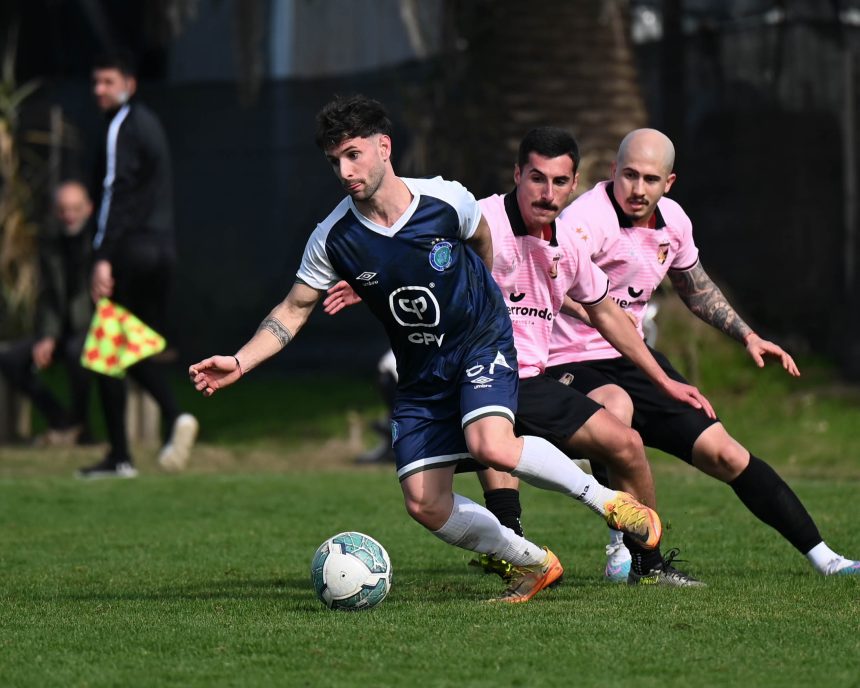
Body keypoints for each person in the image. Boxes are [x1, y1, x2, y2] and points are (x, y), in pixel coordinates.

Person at [189, 94, 663, 604]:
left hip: (480, 342)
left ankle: (610, 502)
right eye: (334, 161)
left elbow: (483, 244)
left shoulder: (445, 200)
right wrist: (240, 360)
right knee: (423, 502)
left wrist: (481, 300)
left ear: (384, 148)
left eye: (353, 154)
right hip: (421, 372)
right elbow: (293, 309)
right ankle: (531, 562)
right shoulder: (333, 238)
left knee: (491, 445)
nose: (345, 171)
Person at [325, 127, 715, 586]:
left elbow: (607, 315)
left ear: (574, 186)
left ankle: (645, 565)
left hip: (532, 378)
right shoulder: (479, 216)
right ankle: (521, 551)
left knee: (626, 443)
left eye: (559, 182)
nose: (546, 193)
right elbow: (408, 240)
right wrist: (372, 279)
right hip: (471, 369)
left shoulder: (567, 241)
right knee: (472, 458)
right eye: (536, 178)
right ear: (517, 175)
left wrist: (663, 379)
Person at [545, 128, 860, 578]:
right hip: (569, 360)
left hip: (634, 357)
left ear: (668, 183)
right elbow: (559, 287)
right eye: (629, 175)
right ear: (613, 171)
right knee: (616, 408)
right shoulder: (585, 220)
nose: (637, 189)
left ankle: (826, 558)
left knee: (725, 453)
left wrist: (747, 335)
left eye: (650, 179)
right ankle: (624, 541)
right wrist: (601, 313)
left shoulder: (673, 222)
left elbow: (696, 289)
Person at [77, 52, 198, 479]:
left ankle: (121, 457)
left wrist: (103, 255)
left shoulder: (122, 126)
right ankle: (173, 419)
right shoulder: (150, 123)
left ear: (129, 82)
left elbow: (117, 193)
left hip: (130, 252)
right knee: (125, 347)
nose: (99, 90)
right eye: (95, 82)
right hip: (161, 253)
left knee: (107, 353)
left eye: (107, 81)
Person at [0, 181, 94, 445]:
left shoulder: (99, 243)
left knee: (80, 352)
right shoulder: (50, 243)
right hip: (60, 332)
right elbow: (50, 297)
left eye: (76, 208)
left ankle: (81, 426)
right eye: (63, 209)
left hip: (92, 330)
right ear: (55, 211)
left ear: (89, 209)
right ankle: (61, 419)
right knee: (10, 360)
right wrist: (48, 337)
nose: (70, 216)